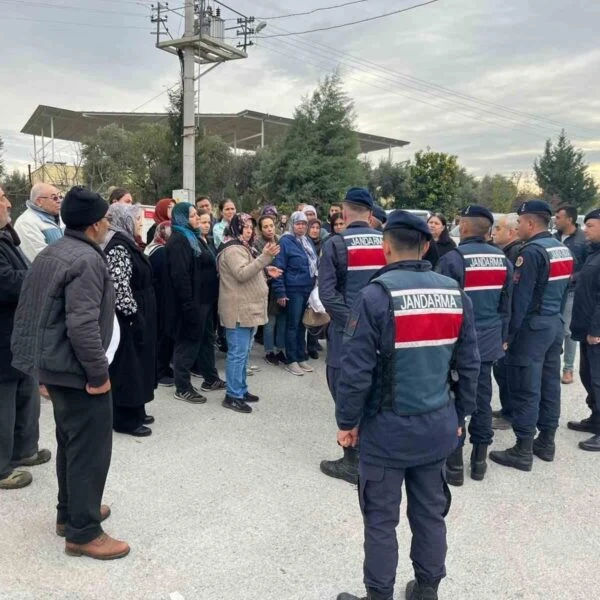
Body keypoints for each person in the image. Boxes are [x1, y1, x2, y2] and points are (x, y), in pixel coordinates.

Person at [335, 210, 479, 600]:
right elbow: (469, 364)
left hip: (386, 431)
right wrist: (460, 416)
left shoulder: (375, 296)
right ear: (427, 245)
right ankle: (427, 589)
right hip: (437, 427)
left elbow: (355, 372)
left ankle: (379, 594)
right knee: (430, 513)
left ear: (385, 247)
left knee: (381, 519)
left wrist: (347, 422)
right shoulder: (454, 293)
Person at [11, 186, 129, 560]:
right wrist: (98, 375)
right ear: (95, 225)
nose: (109, 223)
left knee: (71, 444)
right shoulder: (87, 260)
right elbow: (82, 325)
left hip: (54, 367)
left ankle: (72, 513)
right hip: (76, 372)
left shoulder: (52, 252)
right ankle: (83, 532)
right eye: (106, 219)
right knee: (90, 451)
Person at [489, 201, 574, 471]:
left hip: (532, 329)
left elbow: (520, 299)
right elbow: (561, 294)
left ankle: (523, 448)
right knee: (550, 385)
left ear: (530, 223)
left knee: (526, 388)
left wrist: (508, 334)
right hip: (553, 325)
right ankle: (546, 442)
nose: (516, 227)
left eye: (519, 223)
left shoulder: (532, 252)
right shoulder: (562, 249)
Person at [437, 205, 512, 484]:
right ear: (488, 230)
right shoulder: (502, 259)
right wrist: (503, 337)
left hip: (458, 343)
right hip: (489, 340)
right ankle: (479, 462)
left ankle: (454, 466)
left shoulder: (453, 260)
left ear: (464, 228)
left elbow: (443, 305)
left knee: (453, 399)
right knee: (481, 399)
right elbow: (507, 305)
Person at [318, 187, 387, 484]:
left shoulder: (335, 243)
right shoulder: (386, 242)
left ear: (344, 213)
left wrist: (353, 323)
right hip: (382, 329)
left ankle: (352, 461)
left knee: (343, 386)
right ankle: (372, 450)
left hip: (346, 331)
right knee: (375, 384)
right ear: (370, 214)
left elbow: (327, 294)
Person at [0, 185, 51, 490]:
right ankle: (2, 467)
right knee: (3, 405)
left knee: (26, 396)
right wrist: (37, 276)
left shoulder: (7, 236)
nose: (8, 202)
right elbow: (6, 282)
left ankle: (24, 451)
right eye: (2, 198)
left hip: (18, 336)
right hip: (3, 338)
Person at [217, 214, 281, 413]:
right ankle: (232, 395)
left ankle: (241, 390)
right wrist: (264, 258)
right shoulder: (233, 248)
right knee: (237, 354)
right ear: (235, 227)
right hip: (238, 310)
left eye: (251, 227)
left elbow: (248, 272)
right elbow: (242, 274)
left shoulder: (242, 246)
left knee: (243, 353)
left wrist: (265, 270)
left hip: (246, 309)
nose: (249, 230)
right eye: (244, 226)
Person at [103, 204, 156, 437]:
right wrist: (133, 314)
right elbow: (119, 288)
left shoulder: (127, 242)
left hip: (140, 309)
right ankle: (125, 418)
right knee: (128, 366)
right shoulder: (118, 247)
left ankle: (137, 408)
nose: (140, 224)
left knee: (139, 363)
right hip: (127, 316)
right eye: (137, 219)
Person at [164, 203, 225, 404]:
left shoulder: (195, 237)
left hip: (206, 300)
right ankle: (182, 387)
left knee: (206, 340)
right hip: (192, 303)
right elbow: (180, 276)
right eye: (192, 215)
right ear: (181, 218)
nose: (196, 218)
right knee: (188, 343)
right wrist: (189, 305)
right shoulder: (179, 241)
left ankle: (210, 378)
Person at [568, 209, 600, 452]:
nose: (585, 229)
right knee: (588, 375)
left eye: (590, 225)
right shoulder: (594, 252)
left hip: (596, 330)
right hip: (585, 327)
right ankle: (595, 416)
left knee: (598, 379)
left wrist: (596, 329)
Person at [272, 211, 318, 376]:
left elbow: (314, 265)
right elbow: (279, 267)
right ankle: (291, 360)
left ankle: (301, 356)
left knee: (302, 325)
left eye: (304, 223)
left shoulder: (307, 241)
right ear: (292, 224)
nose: (301, 226)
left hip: (307, 288)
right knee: (292, 325)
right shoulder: (285, 241)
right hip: (293, 289)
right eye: (298, 223)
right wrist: (280, 292)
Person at [491, 212, 523, 430]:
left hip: (510, 324)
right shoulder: (505, 252)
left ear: (511, 232)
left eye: (498, 229)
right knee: (501, 371)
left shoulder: (515, 253)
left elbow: (514, 296)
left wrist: (508, 332)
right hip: (505, 322)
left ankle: (511, 413)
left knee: (508, 371)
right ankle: (506, 408)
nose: (494, 232)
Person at [554, 205, 589, 385]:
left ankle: (568, 369)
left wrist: (572, 278)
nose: (555, 219)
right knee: (553, 327)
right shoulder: (554, 238)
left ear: (569, 219)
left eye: (558, 217)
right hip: (552, 291)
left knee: (567, 331)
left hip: (571, 292)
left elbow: (588, 268)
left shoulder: (583, 241)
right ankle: (551, 365)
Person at [145, 221, 175, 387]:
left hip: (155, 298)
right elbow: (164, 279)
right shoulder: (161, 252)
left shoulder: (152, 247)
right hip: (161, 299)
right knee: (162, 336)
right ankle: (160, 371)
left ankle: (163, 368)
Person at [255, 215, 286, 366]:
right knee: (270, 321)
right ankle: (269, 351)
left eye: (271, 225)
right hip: (266, 285)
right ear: (260, 229)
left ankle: (280, 349)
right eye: (265, 226)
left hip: (281, 283)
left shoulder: (280, 239)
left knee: (281, 320)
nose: (269, 229)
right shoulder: (257, 243)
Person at [13, 183, 63, 263]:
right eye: (54, 198)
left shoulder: (61, 217)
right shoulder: (26, 223)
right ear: (39, 201)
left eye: (60, 197)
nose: (59, 201)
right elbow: (41, 259)